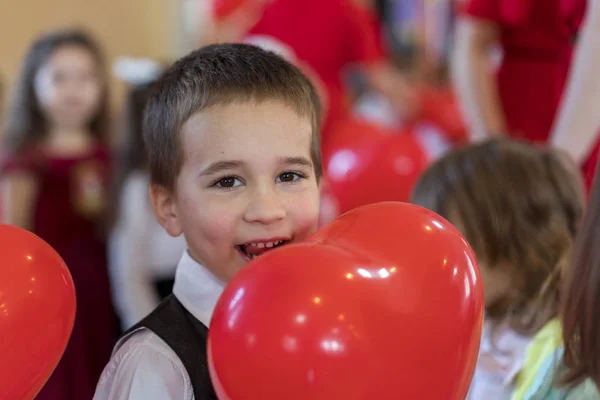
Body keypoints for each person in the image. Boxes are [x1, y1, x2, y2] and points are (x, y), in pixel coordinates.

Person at [93, 43, 322, 399]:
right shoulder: (157, 367)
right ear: (169, 208)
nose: (267, 210)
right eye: (227, 181)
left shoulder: (334, 326)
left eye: (289, 176)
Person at [411, 139, 585, 399]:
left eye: (454, 237)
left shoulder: (566, 355)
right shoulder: (474, 330)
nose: (440, 260)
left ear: (518, 236)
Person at [0, 28, 117, 400]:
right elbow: (13, 235)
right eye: (59, 77)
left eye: (85, 78)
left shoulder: (111, 157)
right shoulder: (27, 163)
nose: (73, 89)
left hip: (103, 287)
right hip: (48, 291)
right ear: (34, 85)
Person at [452, 0, 600, 190]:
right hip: (519, 108)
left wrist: (559, 162)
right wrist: (492, 146)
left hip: (587, 111)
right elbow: (473, 43)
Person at [108, 58, 187, 331]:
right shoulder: (137, 186)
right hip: (159, 301)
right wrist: (148, 329)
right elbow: (128, 272)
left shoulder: (192, 175)